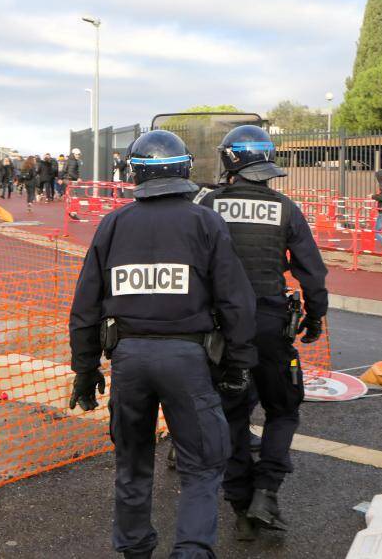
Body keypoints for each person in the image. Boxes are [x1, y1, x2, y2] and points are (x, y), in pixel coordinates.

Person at [69, 129, 257, 559]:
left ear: (135, 172)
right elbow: (235, 299)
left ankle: (135, 549)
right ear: (185, 168)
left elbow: (86, 304)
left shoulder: (113, 223)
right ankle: (191, 551)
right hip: (189, 360)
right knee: (202, 464)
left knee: (133, 464)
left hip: (129, 360)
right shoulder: (204, 221)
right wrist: (239, 363)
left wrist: (84, 368)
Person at [200, 125, 328, 539]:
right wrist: (315, 317)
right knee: (284, 409)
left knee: (232, 416)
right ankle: (266, 492)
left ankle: (239, 505)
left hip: (221, 332)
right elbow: (312, 272)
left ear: (229, 161)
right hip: (272, 327)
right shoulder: (285, 208)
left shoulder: (208, 205)